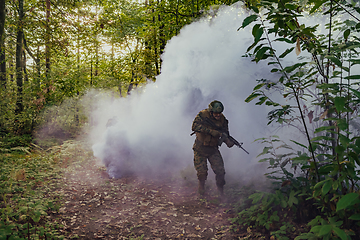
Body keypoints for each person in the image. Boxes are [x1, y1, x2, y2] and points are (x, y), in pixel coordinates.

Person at [191, 100, 234, 196]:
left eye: (219, 113)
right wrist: (211, 131)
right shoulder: (203, 115)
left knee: (220, 171)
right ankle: (201, 190)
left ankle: (221, 192)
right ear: (211, 111)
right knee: (202, 173)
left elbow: (225, 133)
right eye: (216, 113)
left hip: (213, 149)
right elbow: (194, 126)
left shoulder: (223, 120)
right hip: (200, 148)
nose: (218, 115)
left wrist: (227, 141)